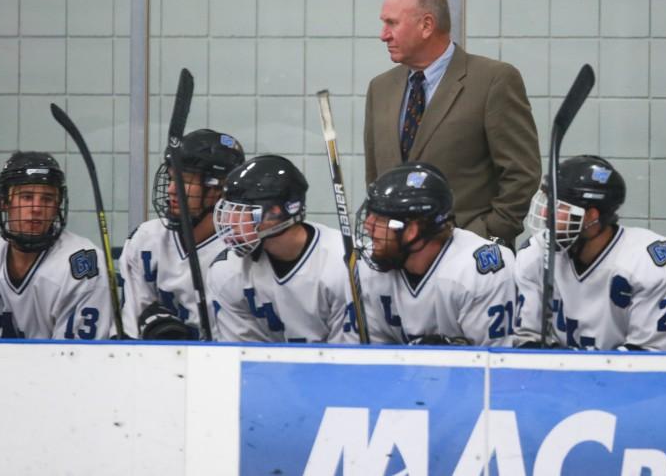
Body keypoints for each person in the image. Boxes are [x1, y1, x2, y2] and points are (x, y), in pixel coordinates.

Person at [364, 0, 541, 245]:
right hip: (396, 259)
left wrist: (487, 236)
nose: (383, 34)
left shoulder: (493, 81)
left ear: (426, 25)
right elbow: (376, 177)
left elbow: (521, 174)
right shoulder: (380, 88)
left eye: (392, 23)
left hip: (468, 260)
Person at [514, 155, 666, 351]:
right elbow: (525, 340)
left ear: (591, 216)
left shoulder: (652, 263)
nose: (544, 214)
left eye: (558, 207)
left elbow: (654, 363)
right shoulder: (536, 254)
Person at [351, 162, 519, 347]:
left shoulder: (480, 271)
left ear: (412, 231)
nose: (368, 224)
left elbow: (497, 364)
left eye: (380, 218)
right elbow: (374, 359)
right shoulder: (368, 269)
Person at [0, 152, 111, 339]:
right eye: (26, 197)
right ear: (4, 203)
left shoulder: (81, 267)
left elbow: (75, 359)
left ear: (58, 205)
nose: (37, 208)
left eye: (47, 199)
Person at [207, 155, 350, 343]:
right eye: (229, 209)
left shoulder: (341, 262)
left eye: (241, 210)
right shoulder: (227, 271)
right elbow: (242, 357)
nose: (228, 221)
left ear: (276, 213)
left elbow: (347, 358)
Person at [119, 129, 245, 340]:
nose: (170, 189)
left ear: (218, 189)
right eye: (170, 178)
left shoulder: (241, 252)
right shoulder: (146, 239)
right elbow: (130, 332)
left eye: (184, 181)